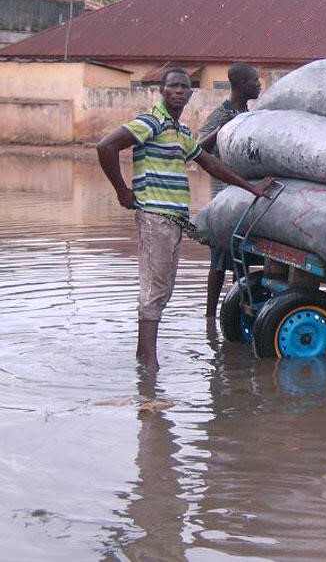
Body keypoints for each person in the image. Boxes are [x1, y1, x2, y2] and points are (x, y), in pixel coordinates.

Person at [96, 67, 274, 372]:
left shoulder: (179, 132)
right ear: (162, 91)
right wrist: (122, 191)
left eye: (184, 87)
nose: (179, 91)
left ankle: (143, 355)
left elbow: (210, 164)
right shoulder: (150, 122)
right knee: (155, 288)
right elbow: (106, 146)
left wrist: (251, 188)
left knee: (162, 288)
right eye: (173, 86)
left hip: (173, 219)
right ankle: (150, 364)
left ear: (190, 93)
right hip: (155, 216)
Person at [197, 62, 262, 321]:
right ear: (240, 84)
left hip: (245, 198)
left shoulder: (248, 114)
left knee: (241, 259)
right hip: (224, 198)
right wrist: (221, 129)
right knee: (219, 260)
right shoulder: (221, 114)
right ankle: (210, 318)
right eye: (255, 81)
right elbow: (197, 149)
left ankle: (236, 313)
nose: (259, 85)